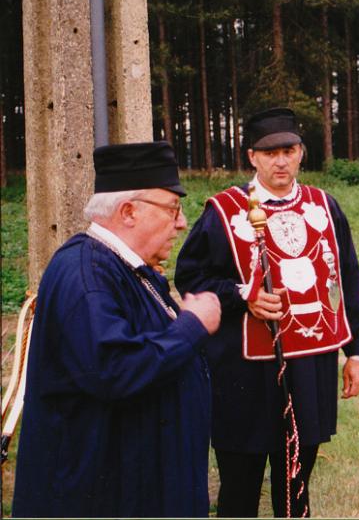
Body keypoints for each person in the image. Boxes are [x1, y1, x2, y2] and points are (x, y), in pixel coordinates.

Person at [175, 107, 359, 518]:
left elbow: (346, 279)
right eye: (269, 153)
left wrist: (355, 351)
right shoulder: (224, 212)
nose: (280, 161)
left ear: (301, 153)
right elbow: (190, 277)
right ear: (252, 157)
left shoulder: (324, 207)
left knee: (297, 481)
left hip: (310, 366)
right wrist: (242, 294)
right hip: (243, 371)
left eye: (288, 150)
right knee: (240, 487)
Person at [12, 141, 221, 517]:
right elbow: (114, 369)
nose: (181, 222)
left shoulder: (124, 269)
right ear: (128, 212)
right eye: (172, 208)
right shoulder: (86, 275)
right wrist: (192, 326)